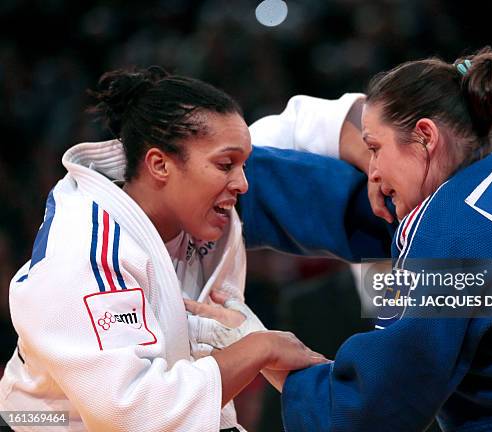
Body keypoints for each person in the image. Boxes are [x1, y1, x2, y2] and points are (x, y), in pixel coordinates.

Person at [237, 47, 492, 431]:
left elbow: (375, 407)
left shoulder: (452, 229)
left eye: (375, 149)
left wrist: (265, 354)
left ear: (425, 137)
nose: (374, 171)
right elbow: (478, 274)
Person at [0, 66, 334, 432]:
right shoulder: (88, 252)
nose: (243, 183)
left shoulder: (208, 225)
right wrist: (258, 349)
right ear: (160, 164)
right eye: (226, 165)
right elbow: (132, 413)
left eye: (243, 165)